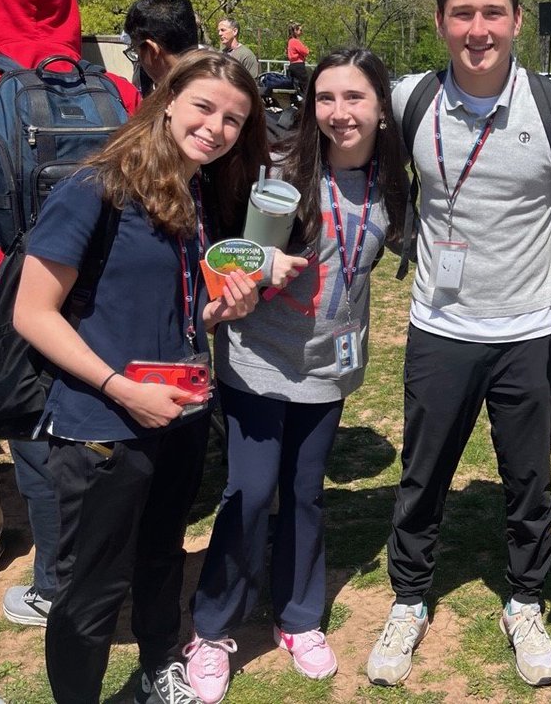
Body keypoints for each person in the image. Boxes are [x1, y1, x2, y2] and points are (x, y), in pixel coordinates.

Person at [365, 0, 551, 688]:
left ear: (517, 20)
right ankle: (408, 600)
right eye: (462, 13)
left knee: (528, 481)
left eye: (492, 13)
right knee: (422, 475)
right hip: (439, 325)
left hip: (528, 328)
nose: (477, 29)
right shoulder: (407, 100)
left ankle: (524, 601)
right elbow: (342, 151)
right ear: (440, 21)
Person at [11, 49, 267, 704]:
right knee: (92, 591)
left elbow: (158, 312)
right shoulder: (97, 186)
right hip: (104, 428)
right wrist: (121, 389)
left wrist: (213, 312)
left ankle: (160, 672)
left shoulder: (188, 190)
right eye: (205, 107)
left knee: (161, 561)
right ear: (169, 97)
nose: (215, 128)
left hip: (176, 419)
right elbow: (33, 314)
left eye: (233, 120)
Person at [183, 49, 407, 702]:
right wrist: (260, 265)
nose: (340, 113)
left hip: (327, 368)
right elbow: (221, 258)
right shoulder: (275, 172)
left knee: (305, 495)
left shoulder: (388, 183)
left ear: (381, 110)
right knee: (251, 494)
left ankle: (300, 617)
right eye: (327, 98)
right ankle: (213, 627)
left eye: (355, 98)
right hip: (256, 363)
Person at [0, 0, 141, 625]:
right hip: (113, 285)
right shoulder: (113, 89)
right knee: (108, 427)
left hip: (19, 290)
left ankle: (56, 585)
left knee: (35, 435)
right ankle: (116, 567)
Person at [124, 0, 201, 95]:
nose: (140, 62)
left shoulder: (176, 105)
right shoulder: (225, 78)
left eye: (136, 53)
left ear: (151, 50)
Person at [286, 22, 311, 93]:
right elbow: (305, 52)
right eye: (300, 30)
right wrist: (306, 48)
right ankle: (307, 102)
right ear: (295, 31)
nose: (301, 32)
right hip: (299, 65)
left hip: (292, 65)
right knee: (306, 86)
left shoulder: (290, 41)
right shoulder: (295, 41)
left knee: (296, 86)